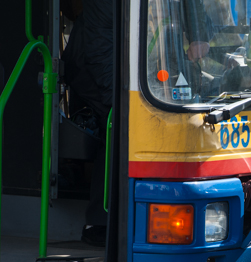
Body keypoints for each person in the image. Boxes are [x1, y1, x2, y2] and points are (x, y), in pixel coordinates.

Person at [63, 0, 212, 246]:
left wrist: (199, 36)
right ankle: (100, 223)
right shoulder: (107, 6)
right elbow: (101, 52)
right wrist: (122, 103)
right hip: (94, 69)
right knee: (118, 127)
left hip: (142, 69)